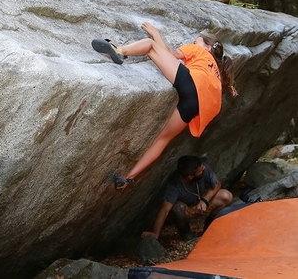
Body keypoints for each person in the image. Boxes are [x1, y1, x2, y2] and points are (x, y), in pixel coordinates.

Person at [91, 22, 237, 190]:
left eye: (196, 42)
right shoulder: (217, 74)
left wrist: (156, 33)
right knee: (163, 139)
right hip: (195, 106)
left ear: (208, 48)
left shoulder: (199, 52)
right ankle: (128, 177)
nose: (193, 44)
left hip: (191, 84)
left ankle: (120, 51)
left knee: (150, 45)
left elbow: (171, 53)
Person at [142, 155, 233, 241]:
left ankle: (209, 225)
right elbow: (164, 210)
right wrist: (155, 233)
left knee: (226, 196)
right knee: (178, 208)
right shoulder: (175, 185)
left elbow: (217, 184)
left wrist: (205, 200)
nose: (203, 168)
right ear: (190, 177)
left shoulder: (201, 167)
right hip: (187, 209)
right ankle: (185, 232)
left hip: (201, 201)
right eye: (200, 171)